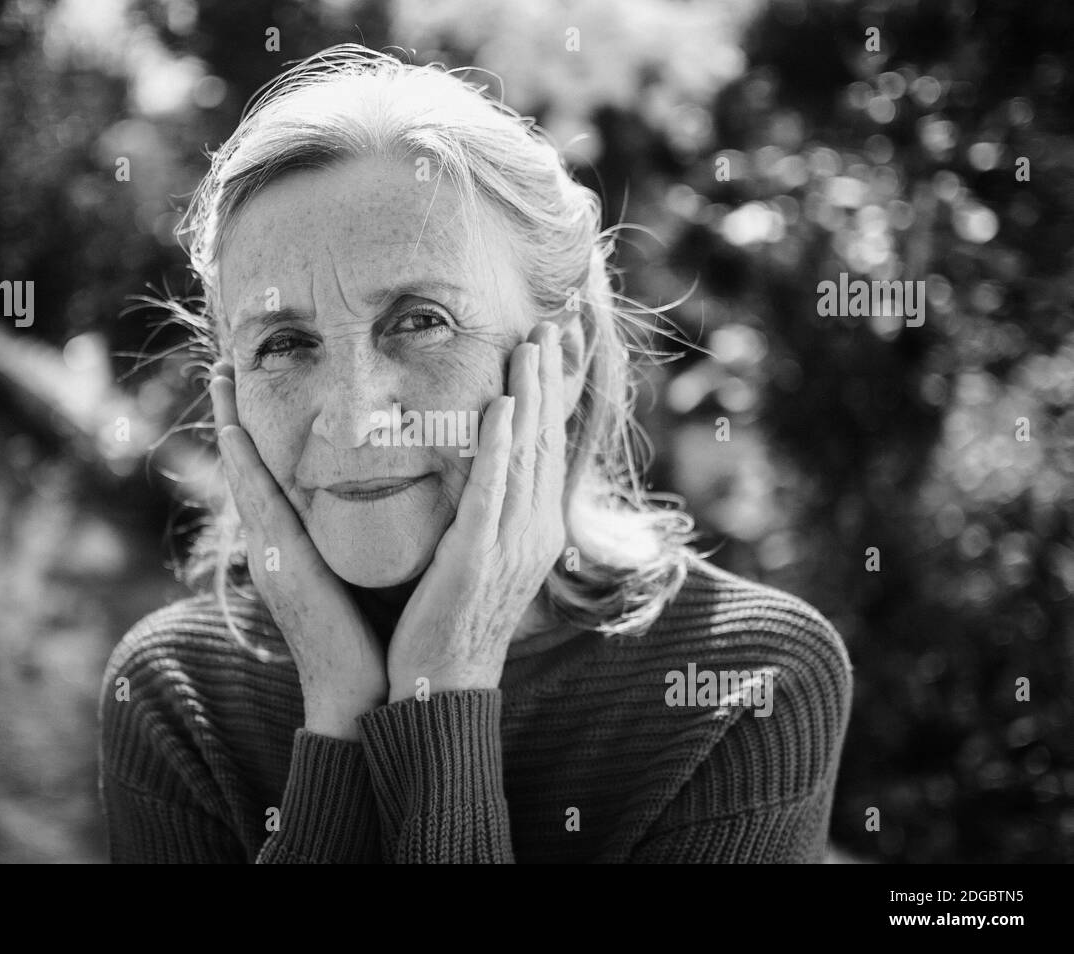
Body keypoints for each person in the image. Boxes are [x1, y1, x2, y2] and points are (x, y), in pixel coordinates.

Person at [98, 44, 853, 863]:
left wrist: (445, 689)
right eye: (284, 343)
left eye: (423, 321)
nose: (355, 420)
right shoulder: (174, 694)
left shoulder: (749, 687)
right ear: (229, 389)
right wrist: (339, 719)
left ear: (560, 361)